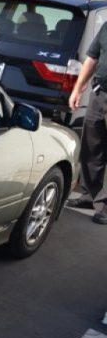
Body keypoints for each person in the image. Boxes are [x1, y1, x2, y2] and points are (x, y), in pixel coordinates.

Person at [66, 21, 107, 224]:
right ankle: (89, 196)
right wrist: (78, 89)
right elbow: (92, 58)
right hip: (99, 95)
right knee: (92, 147)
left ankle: (105, 204)